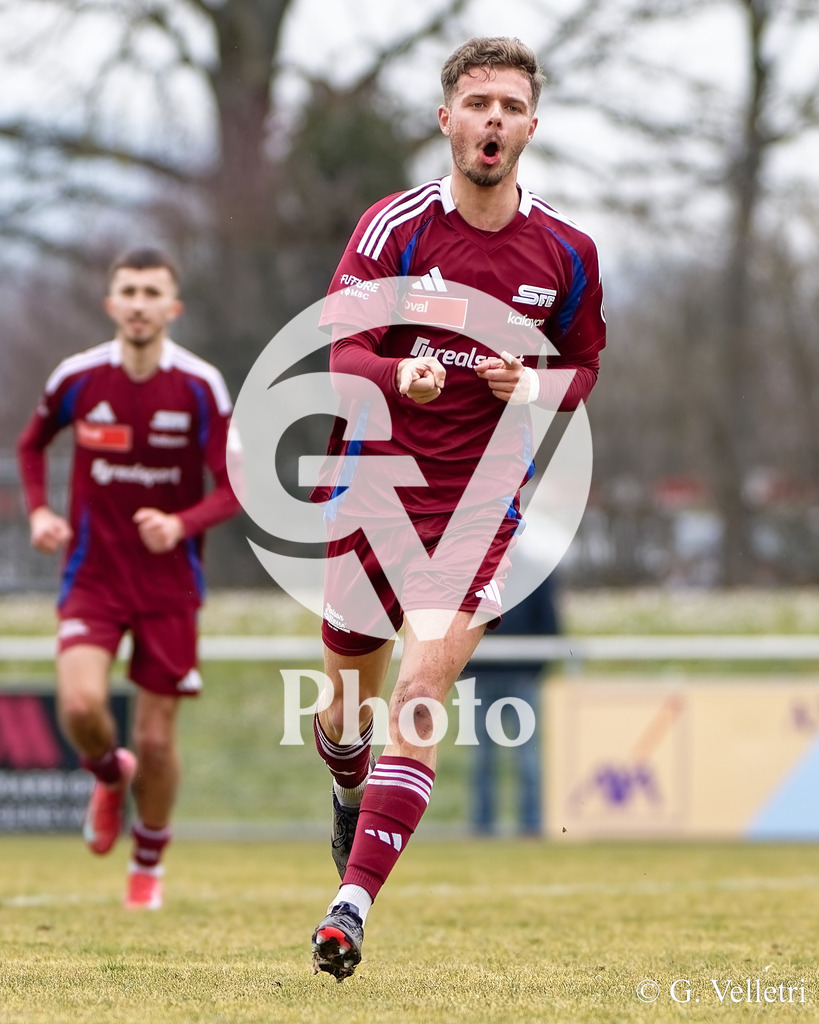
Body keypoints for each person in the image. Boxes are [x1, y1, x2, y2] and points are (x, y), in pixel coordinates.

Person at [308, 36, 606, 980]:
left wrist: (538, 384)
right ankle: (348, 791)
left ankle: (349, 907)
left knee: (420, 695)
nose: (492, 119)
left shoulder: (565, 251)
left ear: (529, 125)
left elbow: (583, 367)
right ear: (446, 120)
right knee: (345, 713)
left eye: (510, 106)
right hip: (372, 490)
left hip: (479, 507)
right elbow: (337, 346)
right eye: (476, 102)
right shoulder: (395, 226)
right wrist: (402, 370)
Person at [17, 247, 240, 909]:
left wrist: (182, 524)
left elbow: (234, 487)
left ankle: (148, 861)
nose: (139, 303)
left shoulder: (199, 385)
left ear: (173, 308)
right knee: (82, 707)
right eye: (129, 291)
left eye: (152, 292)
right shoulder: (78, 378)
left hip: (168, 584)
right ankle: (109, 776)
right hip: (93, 575)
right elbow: (31, 445)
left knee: (154, 736)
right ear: (111, 303)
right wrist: (38, 513)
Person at [468, 572, 560, 836]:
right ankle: (482, 826)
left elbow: (550, 626)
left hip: (521, 681)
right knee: (482, 758)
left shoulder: (535, 573)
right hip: (482, 679)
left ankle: (531, 826)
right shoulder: (474, 569)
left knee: (527, 757)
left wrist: (531, 670)